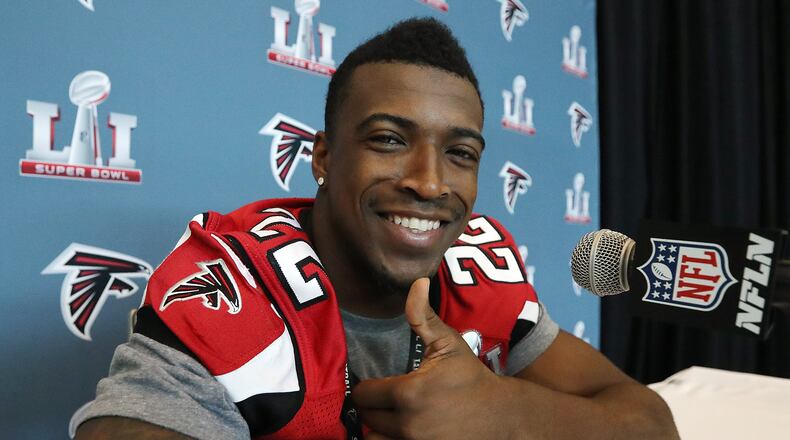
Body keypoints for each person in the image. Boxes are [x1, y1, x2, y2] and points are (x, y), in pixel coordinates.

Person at [74, 18, 678, 439]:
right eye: (390, 140)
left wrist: (509, 415)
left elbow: (649, 422)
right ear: (325, 158)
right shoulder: (235, 279)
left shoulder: (477, 266)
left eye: (461, 153)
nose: (431, 182)